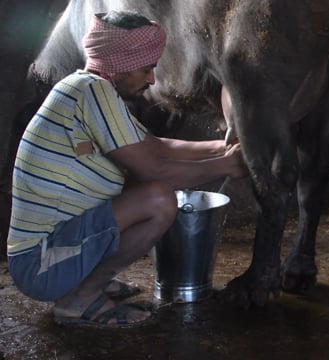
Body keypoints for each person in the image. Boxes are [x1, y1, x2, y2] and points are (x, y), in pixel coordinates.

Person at [6, 10, 248, 328]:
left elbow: (156, 147)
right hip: (40, 264)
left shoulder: (88, 88)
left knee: (138, 185)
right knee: (159, 199)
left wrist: (220, 147)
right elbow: (154, 169)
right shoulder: (94, 92)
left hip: (48, 252)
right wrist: (228, 165)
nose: (151, 80)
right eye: (146, 69)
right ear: (119, 65)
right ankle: (79, 298)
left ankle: (87, 278)